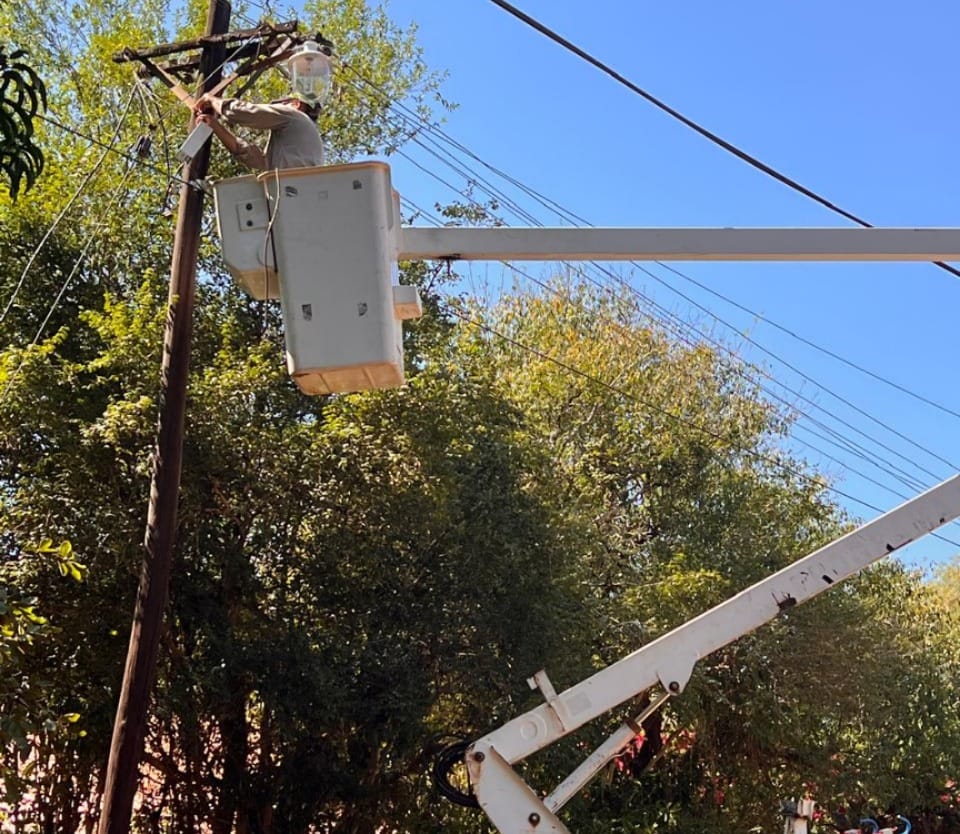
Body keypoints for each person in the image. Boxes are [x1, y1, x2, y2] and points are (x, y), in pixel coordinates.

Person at [193, 93, 324, 171]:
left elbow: (242, 112)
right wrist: (215, 125)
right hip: (295, 197)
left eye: (283, 104)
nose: (279, 108)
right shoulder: (300, 142)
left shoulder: (294, 115)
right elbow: (253, 157)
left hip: (289, 192)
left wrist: (211, 99)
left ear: (296, 104)